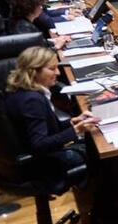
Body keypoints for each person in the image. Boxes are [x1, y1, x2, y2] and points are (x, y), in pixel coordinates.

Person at [5, 46, 100, 183]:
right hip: (43, 163)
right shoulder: (31, 101)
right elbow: (40, 144)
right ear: (33, 71)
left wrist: (73, 121)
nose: (58, 73)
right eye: (52, 69)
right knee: (99, 151)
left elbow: (44, 126)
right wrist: (77, 130)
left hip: (37, 155)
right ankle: (103, 202)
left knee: (93, 140)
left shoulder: (23, 91)